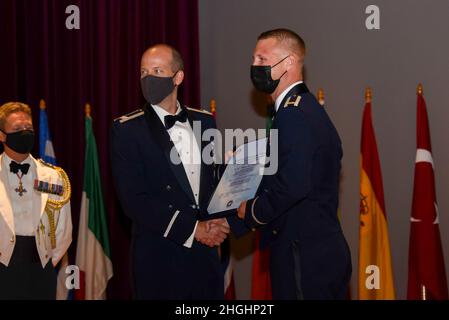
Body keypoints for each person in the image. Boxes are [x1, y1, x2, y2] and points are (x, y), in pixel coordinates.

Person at [232, 28, 352, 299]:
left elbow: (293, 185)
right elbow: (288, 171)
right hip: (316, 251)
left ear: (288, 63)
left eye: (262, 59)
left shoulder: (293, 115)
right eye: (253, 59)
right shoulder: (305, 109)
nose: (255, 66)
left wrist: (251, 211)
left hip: (303, 253)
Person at [111, 44, 230, 299]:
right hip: (159, 259)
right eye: (143, 72)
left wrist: (221, 219)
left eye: (157, 70)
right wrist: (192, 229)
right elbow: (134, 201)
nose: (148, 78)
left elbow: (213, 183)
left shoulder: (204, 121)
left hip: (206, 257)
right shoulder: (128, 130)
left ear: (178, 77)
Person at [0, 102, 72, 300]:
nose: (24, 132)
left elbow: (63, 228)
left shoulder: (53, 177)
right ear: (2, 135)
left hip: (41, 270)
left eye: (28, 129)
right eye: (17, 129)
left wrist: (47, 262)